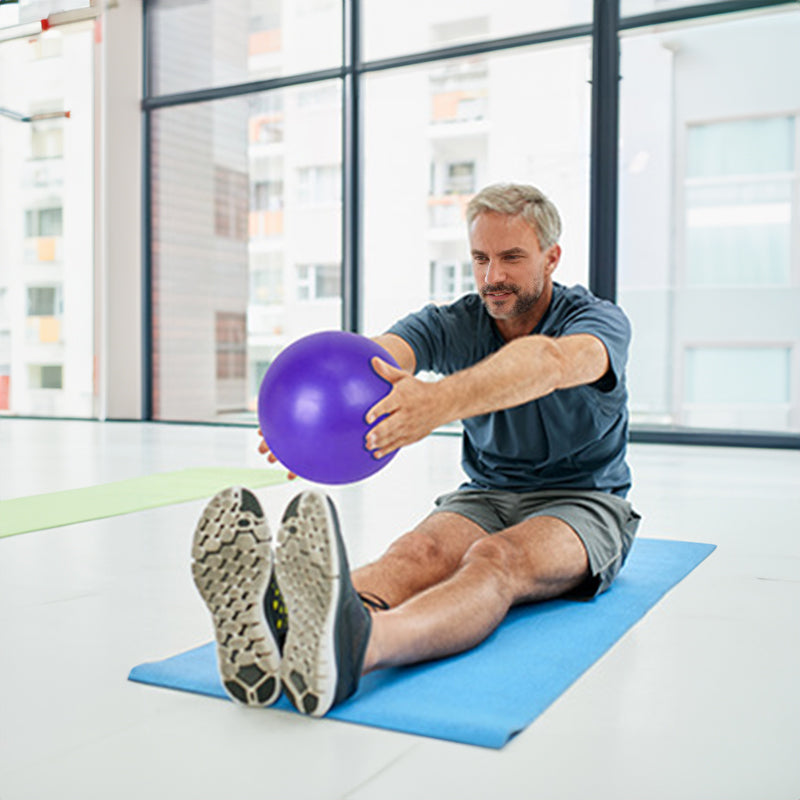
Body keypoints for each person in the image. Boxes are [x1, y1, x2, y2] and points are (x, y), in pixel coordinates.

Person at [191, 182, 641, 717]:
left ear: (551, 257)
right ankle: (280, 626)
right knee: (413, 555)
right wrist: (304, 416)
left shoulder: (596, 321)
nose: (492, 277)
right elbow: (378, 360)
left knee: (496, 560)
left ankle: (364, 647)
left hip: (584, 501)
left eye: (512, 258)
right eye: (480, 258)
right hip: (487, 494)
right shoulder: (457, 320)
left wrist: (439, 401)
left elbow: (548, 364)